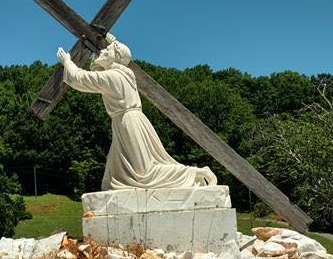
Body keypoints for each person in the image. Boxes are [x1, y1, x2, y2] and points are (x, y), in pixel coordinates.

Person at [56, 35, 217, 190]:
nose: (102, 51)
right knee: (113, 177)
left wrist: (68, 62)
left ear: (114, 58)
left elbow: (79, 78)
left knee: (144, 174)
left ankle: (196, 173)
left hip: (128, 123)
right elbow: (106, 63)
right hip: (131, 121)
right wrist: (111, 41)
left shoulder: (112, 77)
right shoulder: (126, 73)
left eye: (107, 50)